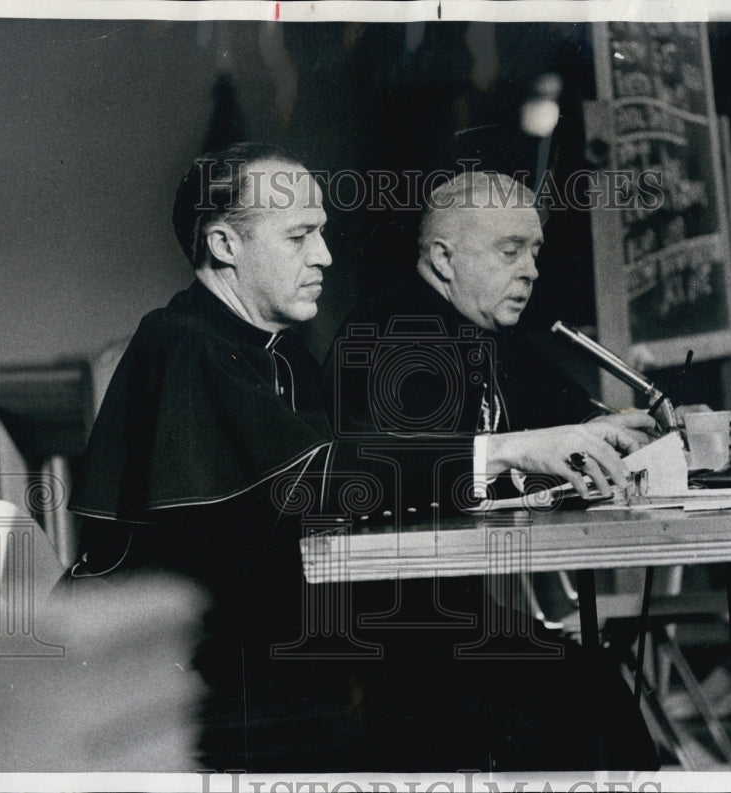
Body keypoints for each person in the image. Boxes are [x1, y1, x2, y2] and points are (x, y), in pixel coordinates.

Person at [63, 144, 652, 772]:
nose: (325, 256)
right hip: (201, 683)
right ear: (225, 247)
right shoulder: (182, 342)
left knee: (570, 682)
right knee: (543, 693)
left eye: (322, 234)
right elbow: (327, 480)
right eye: (300, 236)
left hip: (294, 644)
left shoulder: (272, 350)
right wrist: (506, 449)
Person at [322, 170, 660, 771]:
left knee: (587, 686)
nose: (531, 270)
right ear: (444, 258)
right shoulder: (389, 331)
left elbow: (570, 422)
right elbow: (384, 476)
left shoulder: (489, 331)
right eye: (510, 251)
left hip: (449, 616)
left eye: (534, 251)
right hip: (378, 635)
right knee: (583, 691)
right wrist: (527, 448)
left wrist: (622, 427)